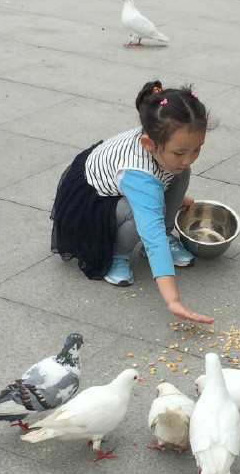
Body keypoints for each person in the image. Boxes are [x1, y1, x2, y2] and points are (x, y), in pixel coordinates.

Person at [51, 80, 213, 325]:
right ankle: (117, 255)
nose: (188, 158)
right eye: (180, 152)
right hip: (94, 202)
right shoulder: (139, 173)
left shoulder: (162, 139)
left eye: (196, 150)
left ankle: (168, 232)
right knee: (143, 217)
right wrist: (173, 301)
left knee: (180, 173)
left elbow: (169, 172)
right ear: (148, 144)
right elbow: (152, 232)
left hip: (129, 183)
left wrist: (176, 196)